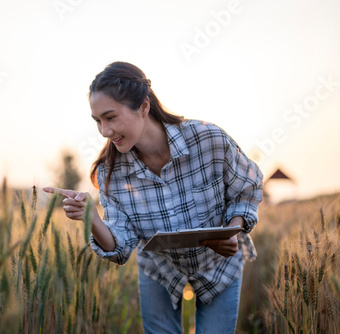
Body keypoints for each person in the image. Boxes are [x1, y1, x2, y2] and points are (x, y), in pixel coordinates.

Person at [43, 61, 263, 334]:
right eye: (98, 121)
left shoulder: (208, 139)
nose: (104, 131)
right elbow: (119, 248)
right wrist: (91, 218)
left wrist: (233, 229)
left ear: (144, 107)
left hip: (220, 268)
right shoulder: (110, 172)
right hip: (160, 271)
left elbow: (247, 187)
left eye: (111, 117)